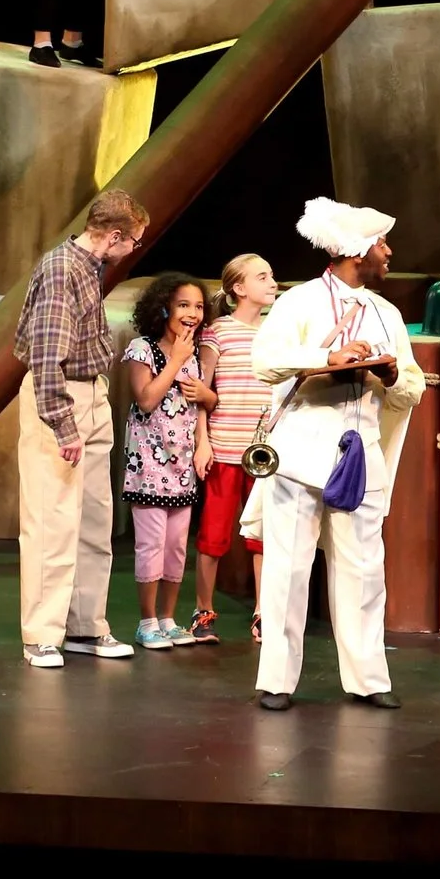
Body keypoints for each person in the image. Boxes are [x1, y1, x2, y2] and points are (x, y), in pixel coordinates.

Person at [250, 197, 427, 711]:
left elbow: (411, 386)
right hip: (301, 452)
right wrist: (326, 359)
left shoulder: (385, 312)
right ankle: (276, 681)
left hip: (360, 454)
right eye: (381, 245)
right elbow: (267, 361)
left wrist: (391, 375)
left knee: (365, 569)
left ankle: (369, 679)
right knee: (288, 569)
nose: (388, 253)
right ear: (356, 253)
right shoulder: (298, 303)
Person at [12, 188, 149, 671]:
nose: (133, 248)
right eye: (132, 240)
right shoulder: (61, 269)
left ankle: (85, 625)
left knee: (94, 519)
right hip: (61, 398)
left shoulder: (90, 269)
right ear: (113, 236)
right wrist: (63, 423)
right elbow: (47, 354)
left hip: (91, 392)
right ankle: (42, 635)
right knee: (53, 520)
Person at [190, 252, 279, 644]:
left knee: (262, 536)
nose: (272, 283)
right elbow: (201, 392)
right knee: (213, 536)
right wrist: (202, 443)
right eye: (263, 277)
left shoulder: (277, 333)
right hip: (225, 450)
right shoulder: (219, 333)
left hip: (262, 453)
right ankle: (203, 610)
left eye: (271, 275)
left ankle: (264, 611)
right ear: (239, 289)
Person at [122, 272, 207, 649]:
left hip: (183, 464)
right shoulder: (144, 349)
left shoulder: (195, 357)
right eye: (183, 305)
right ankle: (147, 621)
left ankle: (170, 619)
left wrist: (206, 397)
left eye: (199, 306)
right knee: (151, 545)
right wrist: (175, 361)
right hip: (148, 466)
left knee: (176, 545)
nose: (192, 313)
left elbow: (204, 405)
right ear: (163, 308)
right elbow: (146, 398)